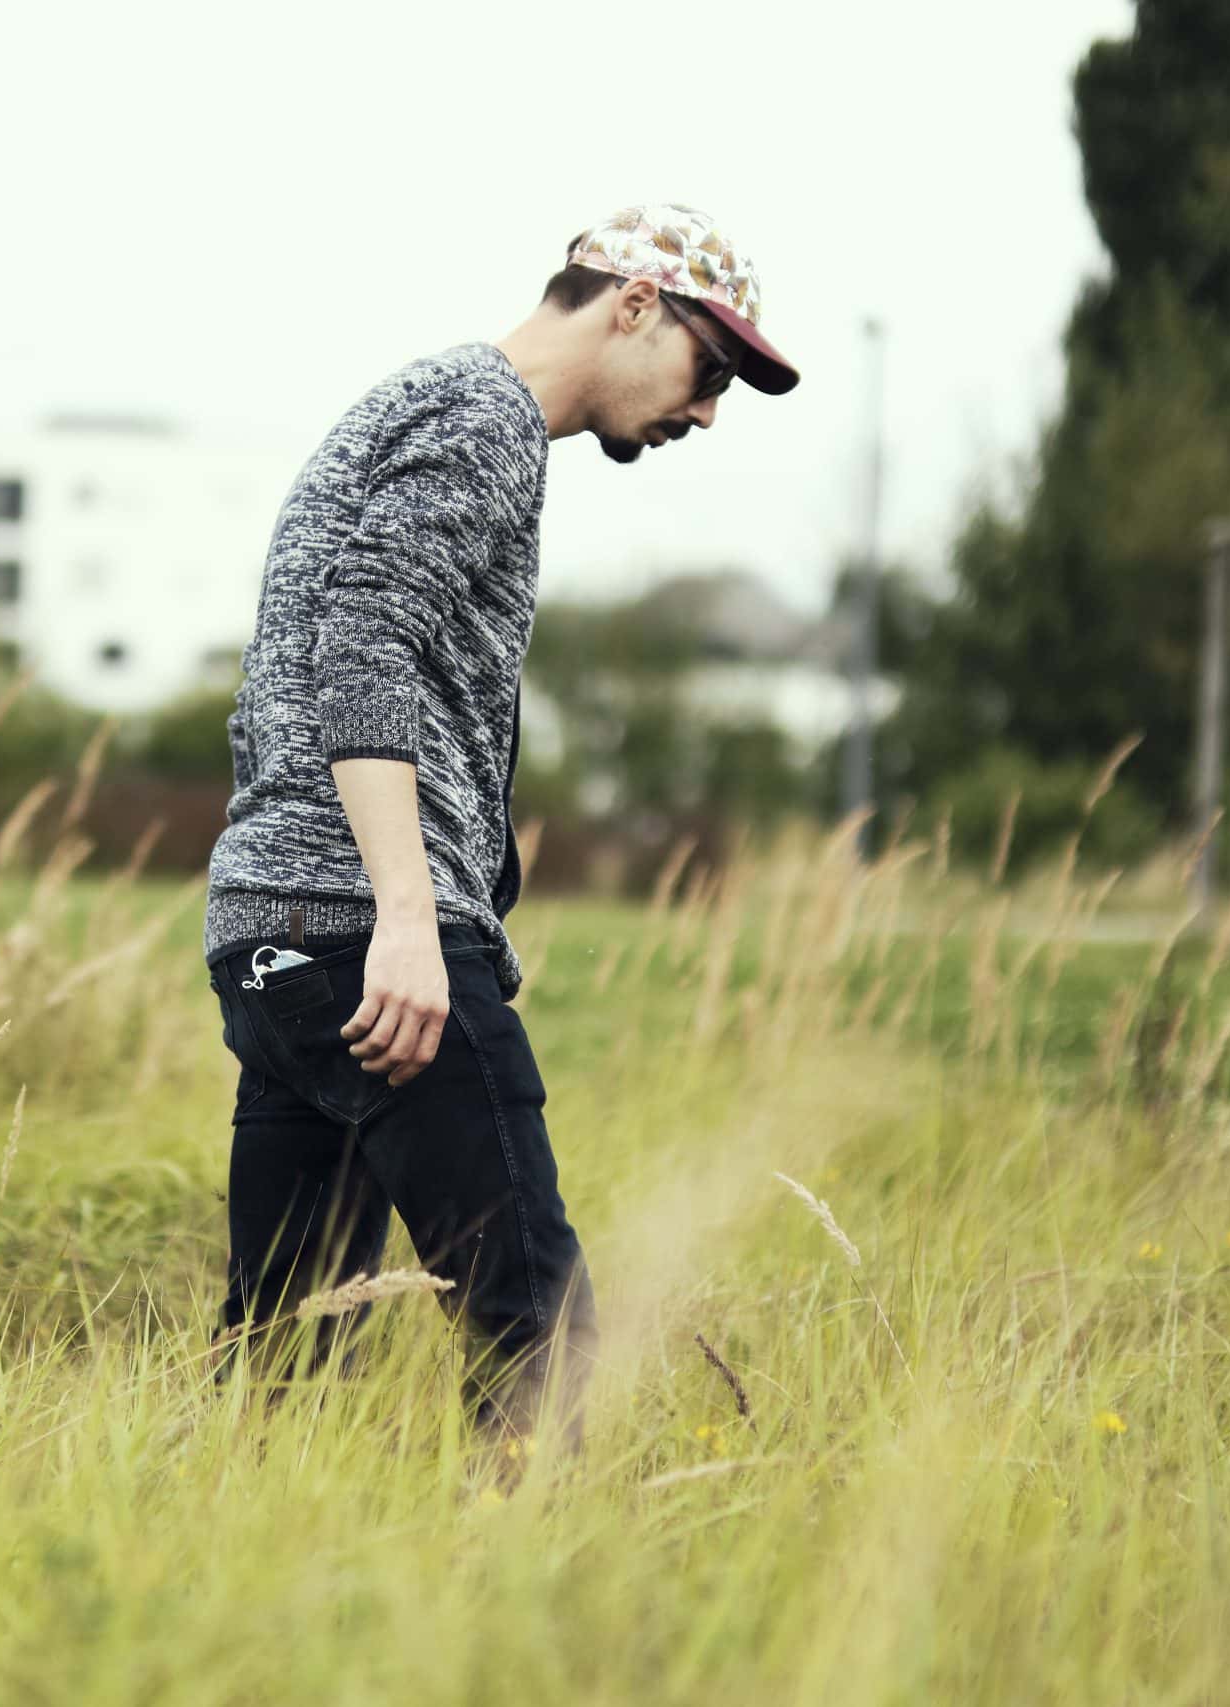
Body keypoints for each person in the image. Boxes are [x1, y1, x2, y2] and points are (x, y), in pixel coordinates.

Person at [204, 203, 799, 1449]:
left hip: (277, 934)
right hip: (369, 939)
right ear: (633, 304)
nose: (706, 414)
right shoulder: (485, 418)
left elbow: (304, 664)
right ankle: (536, 1566)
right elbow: (364, 640)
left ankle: (220, 1555)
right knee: (533, 1322)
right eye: (711, 371)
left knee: (278, 1361)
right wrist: (408, 916)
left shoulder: (421, 404)